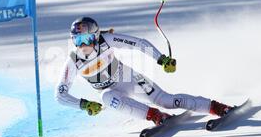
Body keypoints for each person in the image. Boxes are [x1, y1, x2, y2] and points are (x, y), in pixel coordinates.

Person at [55, 17, 233, 126]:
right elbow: (60, 95)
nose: (83, 45)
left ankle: (217, 107)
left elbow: (139, 43)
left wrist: (161, 59)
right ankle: (155, 116)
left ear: (95, 36)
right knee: (106, 98)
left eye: (86, 39)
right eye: (77, 40)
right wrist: (84, 105)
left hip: (128, 78)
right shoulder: (73, 61)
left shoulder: (106, 40)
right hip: (112, 92)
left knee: (167, 101)